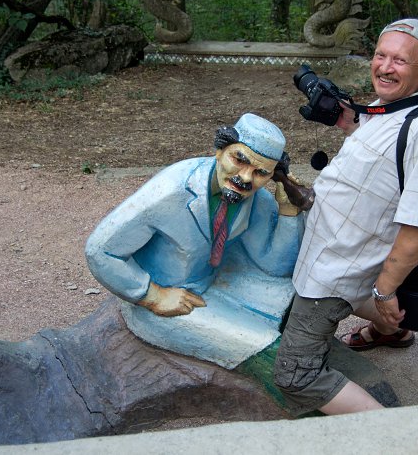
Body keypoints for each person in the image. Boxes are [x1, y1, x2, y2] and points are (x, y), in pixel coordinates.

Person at [274, 18, 418, 414]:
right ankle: (392, 330)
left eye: (400, 61)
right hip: (337, 251)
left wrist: (386, 291)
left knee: (295, 377)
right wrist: (349, 121)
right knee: (368, 295)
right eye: (380, 55)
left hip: (335, 271)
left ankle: (392, 432)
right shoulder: (385, 108)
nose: (385, 67)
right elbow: (381, 156)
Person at [85, 112, 306, 369]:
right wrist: (152, 295)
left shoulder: (255, 199)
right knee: (268, 351)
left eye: (260, 172)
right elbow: (100, 251)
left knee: (300, 302)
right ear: (219, 151)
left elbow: (275, 266)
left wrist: (288, 212)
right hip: (164, 299)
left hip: (217, 280)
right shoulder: (171, 191)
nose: (246, 178)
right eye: (239, 160)